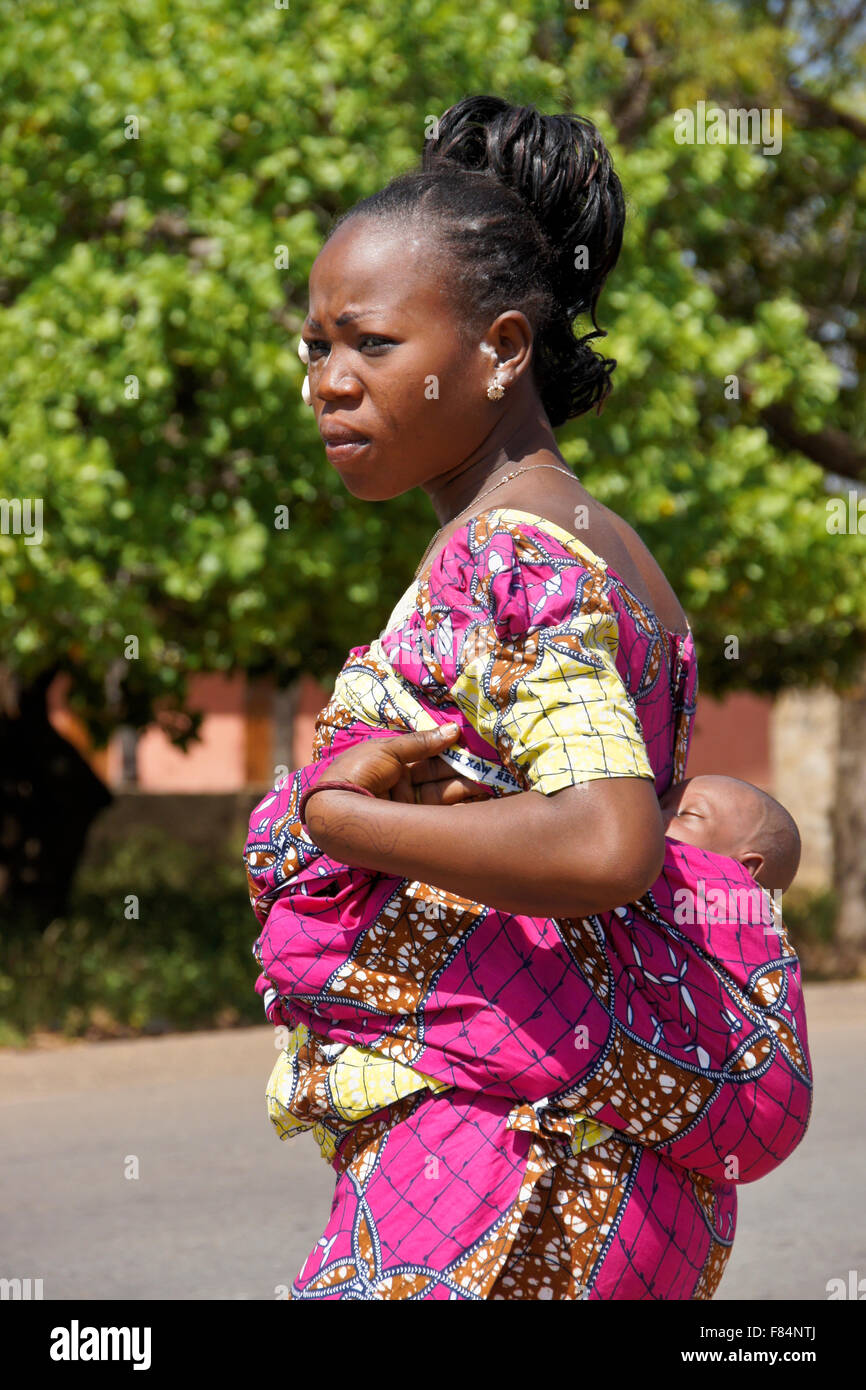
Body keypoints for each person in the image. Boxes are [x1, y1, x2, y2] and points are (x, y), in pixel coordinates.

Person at [244, 95, 812, 1300]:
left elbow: (607, 840)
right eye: (314, 346)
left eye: (370, 344)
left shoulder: (502, 551)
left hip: (497, 1167)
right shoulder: (608, 545)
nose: (328, 383)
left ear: (501, 349)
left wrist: (335, 820)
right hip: (621, 1169)